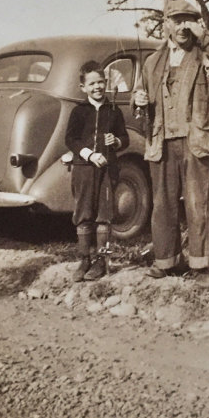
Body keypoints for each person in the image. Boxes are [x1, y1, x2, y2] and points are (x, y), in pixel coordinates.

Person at [132, 0, 209, 288]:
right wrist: (138, 101)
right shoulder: (153, 62)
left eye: (188, 20)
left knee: (199, 204)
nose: (182, 26)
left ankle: (201, 265)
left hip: (197, 140)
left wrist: (205, 36)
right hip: (161, 141)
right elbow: (139, 97)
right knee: (162, 204)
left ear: (196, 24)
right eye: (176, 20)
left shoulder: (205, 55)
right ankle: (166, 260)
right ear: (166, 24)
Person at [65, 60, 129, 281]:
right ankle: (84, 259)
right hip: (84, 169)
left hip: (107, 170)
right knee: (83, 213)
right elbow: (70, 139)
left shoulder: (114, 111)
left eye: (101, 82)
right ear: (83, 87)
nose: (97, 87)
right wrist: (89, 155)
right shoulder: (78, 112)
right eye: (92, 84)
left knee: (104, 214)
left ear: (106, 83)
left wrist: (117, 142)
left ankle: (101, 261)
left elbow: (125, 138)